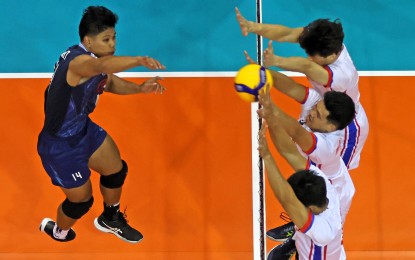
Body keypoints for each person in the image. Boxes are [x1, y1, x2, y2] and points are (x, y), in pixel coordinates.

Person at [37, 6, 166, 243]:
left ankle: (110, 218)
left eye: (114, 37)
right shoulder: (78, 64)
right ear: (88, 40)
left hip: (83, 130)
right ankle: (59, 232)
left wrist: (139, 89)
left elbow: (107, 81)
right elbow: (101, 69)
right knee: (82, 202)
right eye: (106, 40)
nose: (112, 45)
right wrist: (139, 60)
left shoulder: (95, 60)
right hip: (60, 146)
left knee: (116, 170)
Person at [235, 7, 369, 171]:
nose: (310, 57)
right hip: (324, 107)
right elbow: (288, 34)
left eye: (313, 55)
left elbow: (306, 66)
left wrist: (276, 61)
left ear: (330, 56)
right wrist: (252, 27)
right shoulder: (322, 40)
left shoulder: (342, 74)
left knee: (330, 173)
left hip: (345, 127)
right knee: (308, 153)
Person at [257, 104, 344, 259]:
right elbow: (289, 152)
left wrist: (268, 158)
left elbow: (286, 198)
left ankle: (297, 241)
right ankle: (296, 241)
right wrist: (270, 119)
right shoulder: (322, 184)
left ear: (309, 208)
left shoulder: (323, 230)